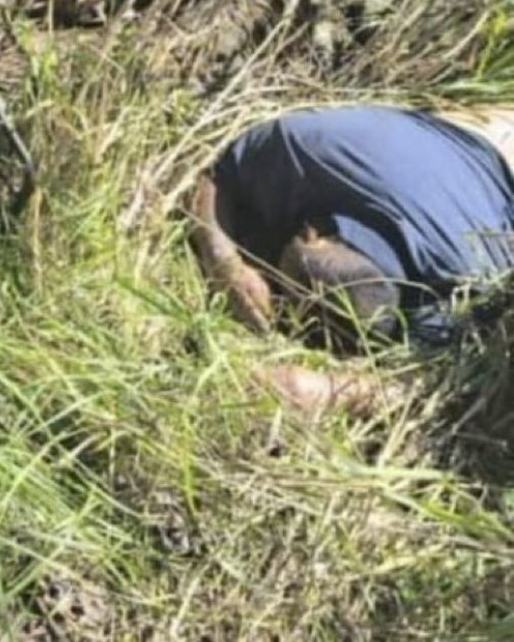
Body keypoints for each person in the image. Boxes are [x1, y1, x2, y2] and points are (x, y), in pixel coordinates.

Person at [190, 104, 514, 412]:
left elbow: (437, 386)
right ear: (312, 235)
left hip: (496, 186)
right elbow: (217, 174)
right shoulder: (303, 151)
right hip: (463, 132)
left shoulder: (465, 283)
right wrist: (223, 261)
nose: (282, 307)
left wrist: (327, 391)